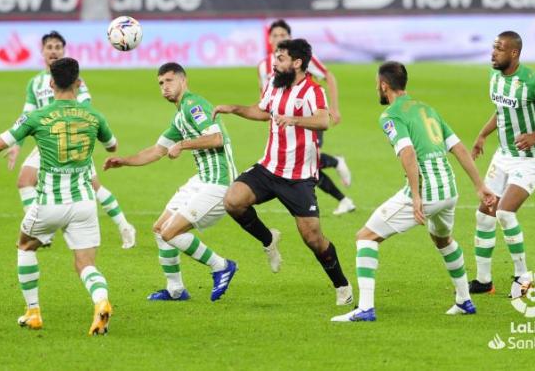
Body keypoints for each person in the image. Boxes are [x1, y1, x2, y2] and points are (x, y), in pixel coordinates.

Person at [0, 58, 116, 335]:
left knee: (26, 246)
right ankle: (101, 301)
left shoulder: (38, 117)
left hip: (49, 203)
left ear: (51, 83)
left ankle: (33, 312)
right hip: (85, 203)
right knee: (86, 264)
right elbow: (112, 146)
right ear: (78, 83)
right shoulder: (95, 116)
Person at [332, 61, 496, 322]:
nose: (377, 87)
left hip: (427, 191)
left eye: (377, 84)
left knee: (365, 237)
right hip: (450, 190)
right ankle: (464, 300)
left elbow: (407, 152)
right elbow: (459, 148)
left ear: (384, 86)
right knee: (443, 240)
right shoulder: (428, 109)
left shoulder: (391, 115)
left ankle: (365, 308)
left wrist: (417, 196)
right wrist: (479, 186)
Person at [214, 38, 353, 306]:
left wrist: (296, 120)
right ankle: (269, 239)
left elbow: (324, 120)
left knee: (313, 239)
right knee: (232, 200)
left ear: (297, 63)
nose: (274, 64)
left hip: (298, 177)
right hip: (268, 168)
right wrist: (234, 109)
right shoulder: (274, 86)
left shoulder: (313, 90)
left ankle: (342, 286)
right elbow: (261, 110)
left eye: (280, 59)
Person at [104, 62, 238, 302]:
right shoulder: (180, 117)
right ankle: (176, 290)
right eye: (160, 83)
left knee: (170, 232)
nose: (164, 87)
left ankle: (222, 266)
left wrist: (183, 144)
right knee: (159, 229)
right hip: (202, 179)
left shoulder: (193, 105)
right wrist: (123, 161)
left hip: (219, 182)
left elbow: (217, 138)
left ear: (183, 80)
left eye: (169, 81)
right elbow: (157, 151)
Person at [5, 31, 136, 249]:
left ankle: (124, 225)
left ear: (63, 51)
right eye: (49, 47)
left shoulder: (75, 81)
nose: (54, 50)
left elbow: (86, 108)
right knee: (24, 180)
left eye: (58, 47)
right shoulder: (35, 83)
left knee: (94, 186)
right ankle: (40, 232)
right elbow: (25, 114)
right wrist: (15, 145)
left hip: (73, 139)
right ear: (42, 51)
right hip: (48, 143)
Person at [469, 31, 535, 295]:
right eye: (493, 47)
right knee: (484, 214)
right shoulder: (494, 77)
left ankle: (522, 278)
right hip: (503, 155)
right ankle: (483, 280)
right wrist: (482, 134)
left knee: (504, 212)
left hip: (530, 159)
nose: (493, 53)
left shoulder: (534, 81)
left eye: (499, 49)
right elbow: (502, 111)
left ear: (514, 53)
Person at [259, 19, 355, 215]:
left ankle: (339, 175)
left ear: (290, 38)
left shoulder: (299, 59)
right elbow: (265, 97)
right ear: (268, 39)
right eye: (275, 36)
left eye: (283, 35)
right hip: (283, 125)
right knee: (308, 168)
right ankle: (343, 195)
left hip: (307, 118)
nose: (279, 39)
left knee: (308, 165)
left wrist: (334, 109)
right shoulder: (263, 66)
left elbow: (328, 76)